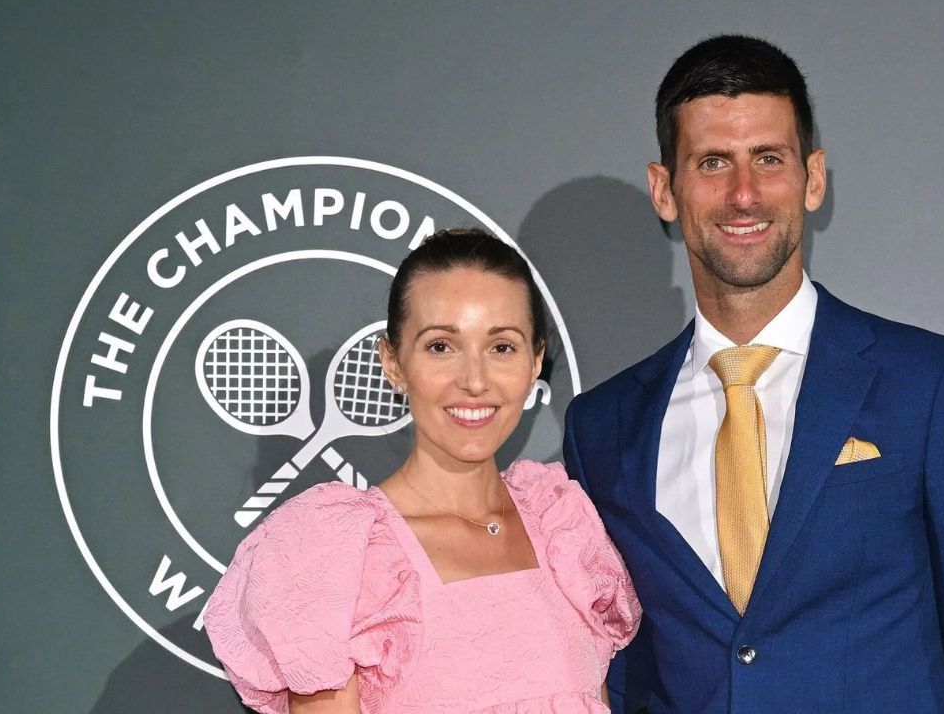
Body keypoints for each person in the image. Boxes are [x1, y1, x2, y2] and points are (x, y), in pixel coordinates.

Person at [563, 35, 944, 712]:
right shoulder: (603, 427)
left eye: (769, 159)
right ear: (665, 190)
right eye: (712, 163)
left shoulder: (936, 384)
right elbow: (617, 670)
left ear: (812, 178)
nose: (743, 194)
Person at [206, 228, 641, 713]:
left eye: (502, 347)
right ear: (393, 362)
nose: (474, 380)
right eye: (440, 346)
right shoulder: (338, 557)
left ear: (535, 360)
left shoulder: (565, 532)